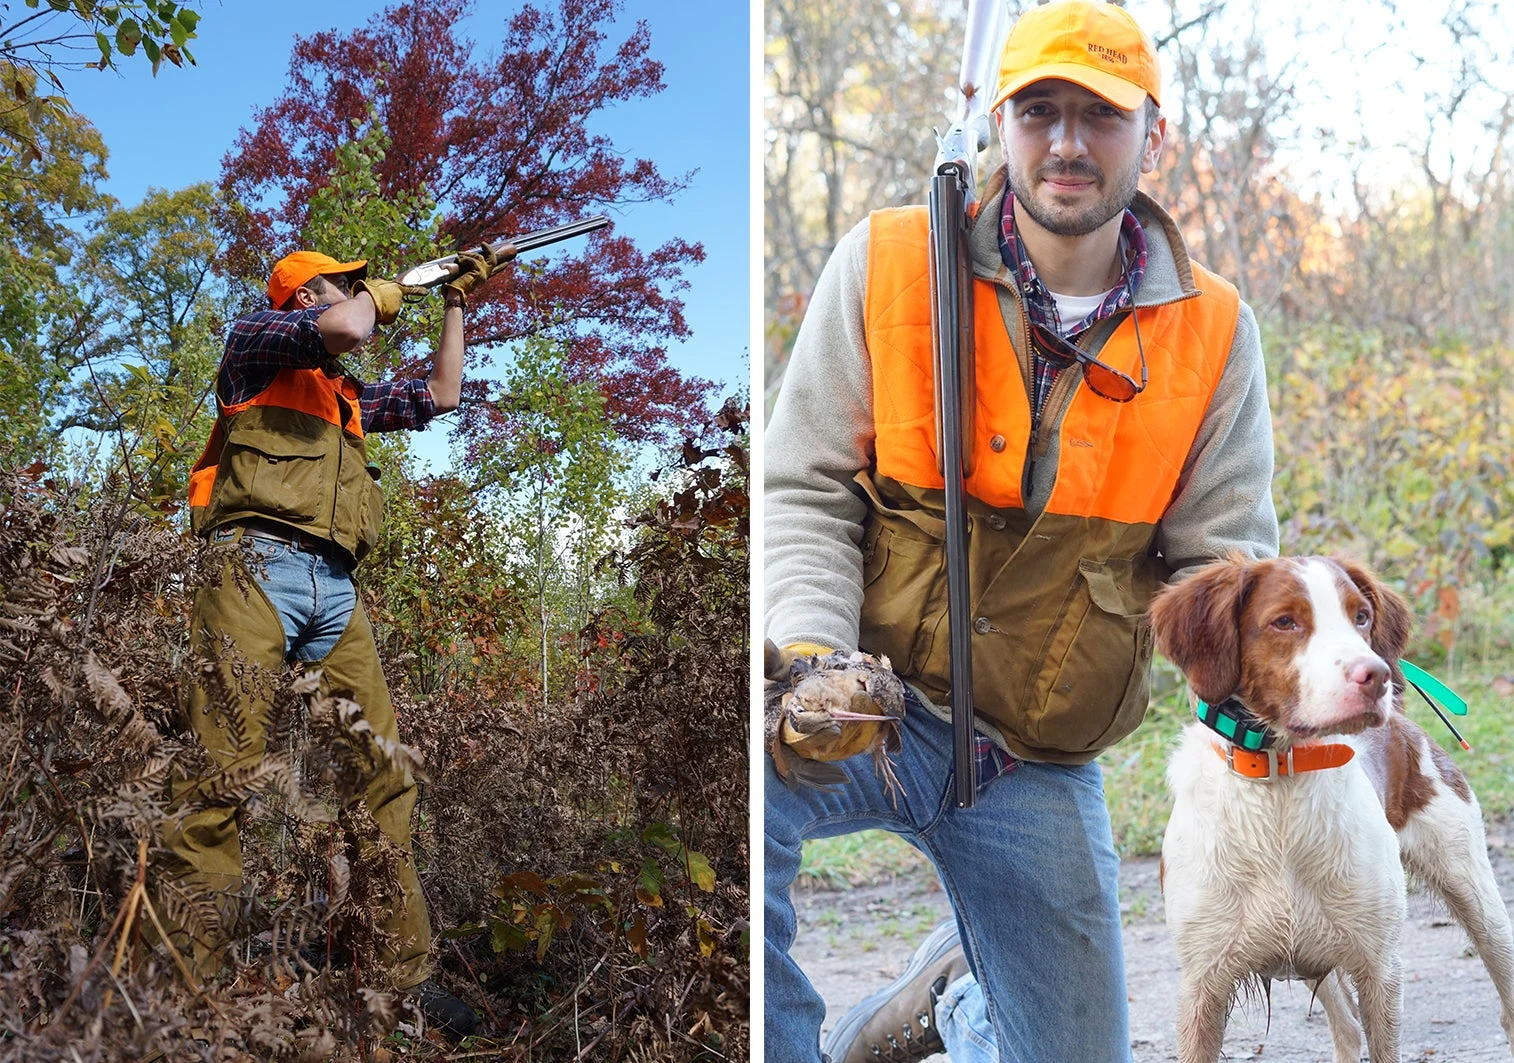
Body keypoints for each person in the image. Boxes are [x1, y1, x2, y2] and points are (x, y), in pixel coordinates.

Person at [764, 2, 1279, 1060]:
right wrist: (814, 662)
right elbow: (803, 486)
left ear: (1152, 135)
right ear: (998, 123)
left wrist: (1280, 702)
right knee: (726, 781)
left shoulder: (1214, 332)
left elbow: (1221, 567)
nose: (1065, 144)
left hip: (1031, 756)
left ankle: (947, 999)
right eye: (1038, 111)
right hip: (862, 697)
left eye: (1098, 116)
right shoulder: (888, 261)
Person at [159, 247, 491, 1037]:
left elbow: (441, 396)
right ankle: (181, 999)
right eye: (344, 277)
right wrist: (378, 296)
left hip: (334, 587)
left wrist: (455, 301)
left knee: (384, 774)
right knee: (220, 775)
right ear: (306, 290)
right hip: (252, 569)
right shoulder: (256, 343)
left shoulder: (343, 395)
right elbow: (344, 323)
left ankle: (398, 983)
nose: (355, 287)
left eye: (357, 280)